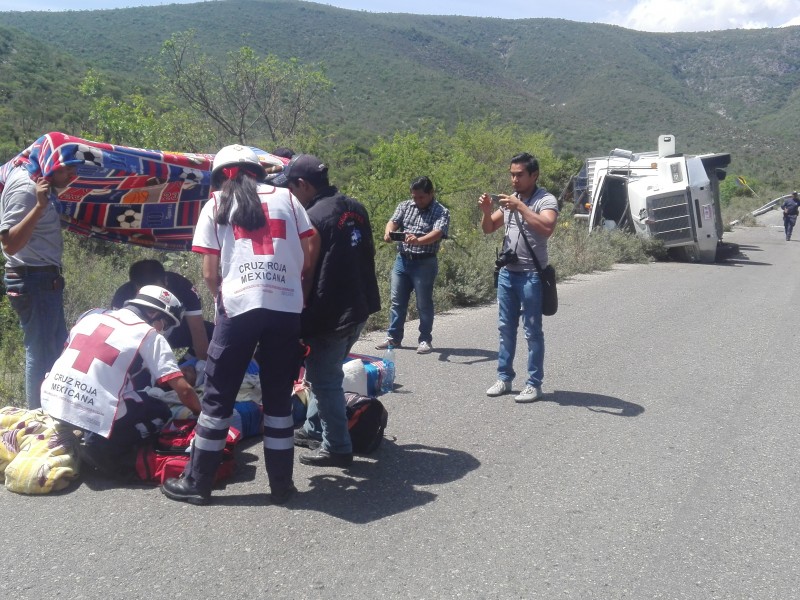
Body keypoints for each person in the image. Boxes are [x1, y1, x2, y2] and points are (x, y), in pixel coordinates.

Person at [161, 144, 314, 506]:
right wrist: (297, 288)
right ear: (257, 171)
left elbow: (210, 273)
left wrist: (224, 301)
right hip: (286, 308)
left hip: (239, 308)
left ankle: (198, 483)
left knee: (217, 398)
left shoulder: (215, 205)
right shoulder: (289, 199)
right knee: (278, 399)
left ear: (221, 175)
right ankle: (282, 486)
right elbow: (310, 247)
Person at [40, 285, 201, 478]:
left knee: (129, 390)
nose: (163, 330)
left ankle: (82, 432)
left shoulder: (90, 315)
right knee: (158, 410)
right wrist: (202, 415)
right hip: (95, 412)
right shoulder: (149, 335)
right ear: (152, 313)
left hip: (53, 399)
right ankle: (109, 449)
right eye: (165, 324)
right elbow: (183, 391)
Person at [282, 154, 381, 467]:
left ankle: (337, 447)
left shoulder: (311, 217)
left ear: (303, 184)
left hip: (330, 313)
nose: (289, 194)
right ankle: (314, 428)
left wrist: (298, 315)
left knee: (324, 379)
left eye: (291, 186)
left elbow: (305, 272)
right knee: (324, 373)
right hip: (359, 306)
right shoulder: (356, 208)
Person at [479, 152, 559, 403]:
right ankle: (504, 378)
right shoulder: (510, 200)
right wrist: (486, 211)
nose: (514, 180)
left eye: (519, 175)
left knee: (532, 331)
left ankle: (534, 384)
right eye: (511, 174)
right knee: (505, 329)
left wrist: (521, 207)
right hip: (507, 274)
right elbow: (489, 228)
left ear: (533, 175)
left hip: (532, 275)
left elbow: (547, 228)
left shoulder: (546, 200)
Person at [1, 159, 79, 409]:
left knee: (56, 345)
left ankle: (54, 410)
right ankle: (36, 418)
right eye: (67, 169)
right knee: (40, 350)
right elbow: (9, 243)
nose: (73, 175)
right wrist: (39, 206)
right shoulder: (27, 189)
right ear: (50, 165)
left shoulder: (35, 181)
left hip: (42, 278)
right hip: (33, 278)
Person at [377, 176, 450, 354]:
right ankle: (393, 338)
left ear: (431, 193)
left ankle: (425, 339)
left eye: (421, 197)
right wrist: (389, 232)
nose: (417, 201)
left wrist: (419, 241)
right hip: (402, 260)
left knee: (423, 303)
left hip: (425, 261)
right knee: (397, 301)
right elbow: (392, 221)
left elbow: (438, 232)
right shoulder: (405, 206)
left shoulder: (441, 211)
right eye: (414, 197)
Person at [111, 259, 212, 379]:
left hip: (174, 330)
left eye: (158, 291)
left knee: (211, 333)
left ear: (166, 281)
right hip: (141, 338)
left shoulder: (183, 287)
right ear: (135, 288)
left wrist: (202, 368)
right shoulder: (122, 296)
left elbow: (198, 330)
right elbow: (119, 342)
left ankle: (185, 367)